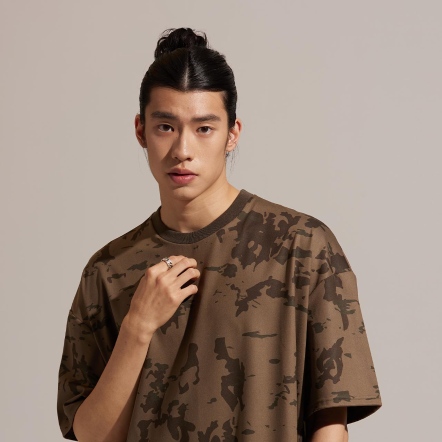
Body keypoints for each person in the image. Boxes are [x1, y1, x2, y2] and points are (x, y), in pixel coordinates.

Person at [57, 28, 382, 442]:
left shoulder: (303, 247)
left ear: (232, 133)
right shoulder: (107, 271)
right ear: (140, 131)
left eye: (204, 128)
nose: (182, 150)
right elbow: (91, 434)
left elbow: (330, 422)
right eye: (165, 127)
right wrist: (137, 327)